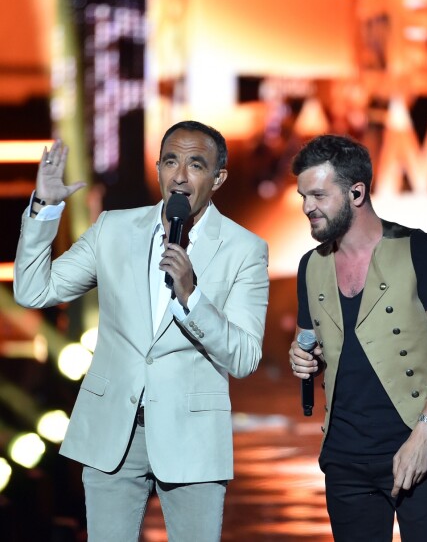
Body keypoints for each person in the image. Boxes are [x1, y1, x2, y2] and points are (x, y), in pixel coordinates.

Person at [13, 121, 269, 541]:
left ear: (218, 177)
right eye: (171, 161)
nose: (180, 175)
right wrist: (45, 208)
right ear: (157, 169)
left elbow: (244, 357)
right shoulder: (113, 229)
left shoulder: (244, 250)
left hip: (192, 436)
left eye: (196, 164)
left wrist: (192, 298)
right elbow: (33, 289)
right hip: (113, 431)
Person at [288, 134, 427, 541]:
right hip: (343, 458)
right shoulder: (310, 266)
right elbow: (310, 342)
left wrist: (424, 435)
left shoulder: (421, 250)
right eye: (303, 196)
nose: (307, 207)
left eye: (318, 195)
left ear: (357, 192)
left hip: (417, 446)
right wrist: (302, 359)